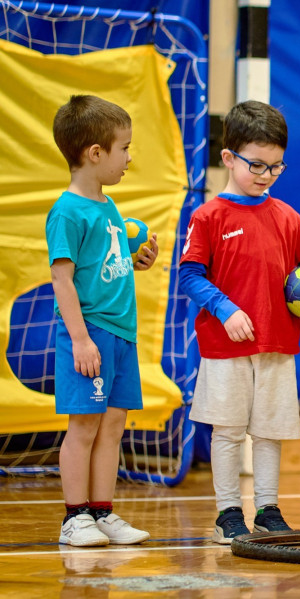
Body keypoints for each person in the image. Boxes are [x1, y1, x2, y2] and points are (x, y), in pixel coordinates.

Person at [180, 100, 300, 544]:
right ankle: (228, 512)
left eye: (276, 167)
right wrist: (226, 309)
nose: (265, 175)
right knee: (229, 430)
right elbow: (190, 275)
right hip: (226, 345)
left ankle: (268, 509)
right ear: (229, 158)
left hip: (277, 343)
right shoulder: (209, 216)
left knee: (269, 431)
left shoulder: (287, 217)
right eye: (256, 164)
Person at [47, 95, 159, 547]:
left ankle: (102, 511)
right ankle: (74, 518)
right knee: (85, 425)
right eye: (124, 148)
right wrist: (80, 340)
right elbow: (62, 279)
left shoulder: (108, 206)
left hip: (120, 335)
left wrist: (136, 260)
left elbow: (105, 266)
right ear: (96, 153)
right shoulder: (67, 211)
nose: (129, 158)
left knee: (113, 423)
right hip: (89, 334)